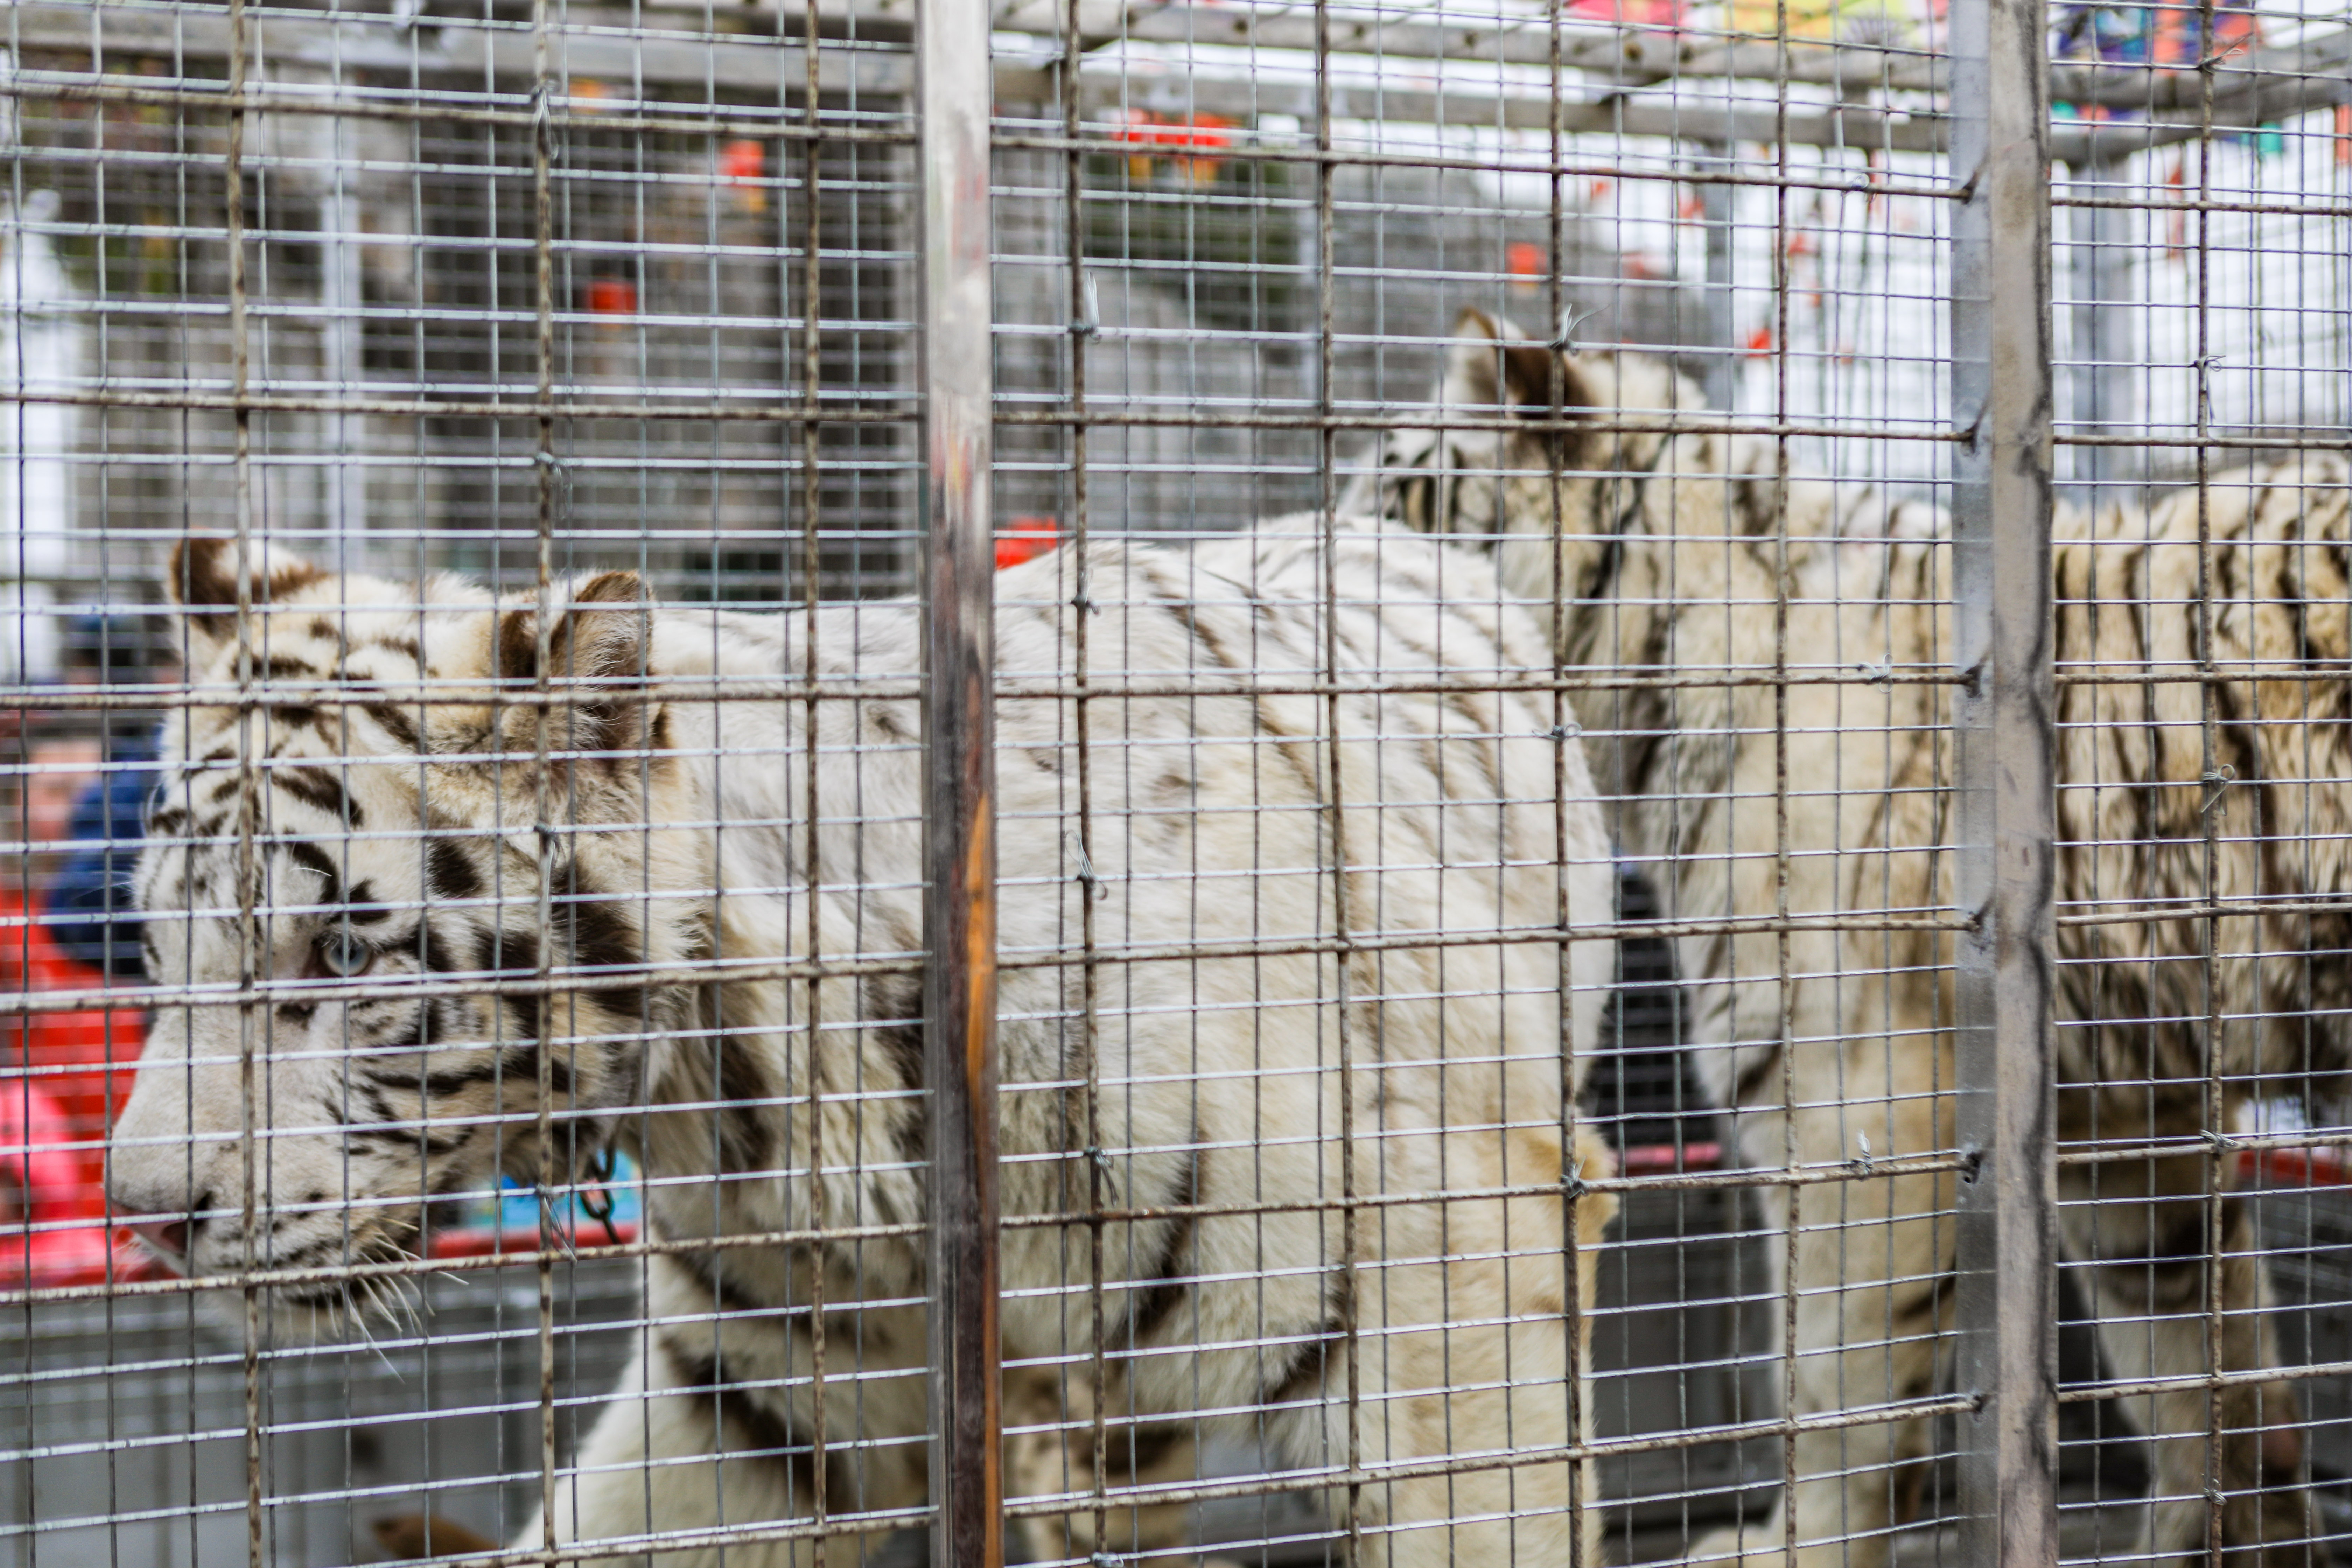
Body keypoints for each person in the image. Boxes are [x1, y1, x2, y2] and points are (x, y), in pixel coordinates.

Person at [41, 616, 164, 979]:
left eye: (77, 672)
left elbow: (73, 916)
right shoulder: (148, 749)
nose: (69, 687)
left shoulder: (134, 773)